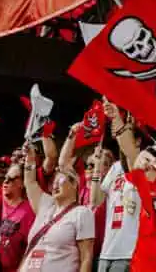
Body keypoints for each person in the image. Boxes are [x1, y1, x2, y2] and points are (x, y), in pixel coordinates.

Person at [20, 144, 94, 272]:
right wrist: (30, 159)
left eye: (60, 181)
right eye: (53, 182)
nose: (55, 185)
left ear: (74, 184)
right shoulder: (45, 204)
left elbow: (86, 257)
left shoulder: (82, 213)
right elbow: (30, 182)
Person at [92, 102, 143, 272]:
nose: (119, 136)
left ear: (138, 141)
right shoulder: (115, 168)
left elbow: (130, 153)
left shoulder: (143, 163)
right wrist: (97, 168)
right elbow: (95, 200)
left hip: (129, 253)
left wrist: (116, 117)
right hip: (107, 252)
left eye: (125, 133)